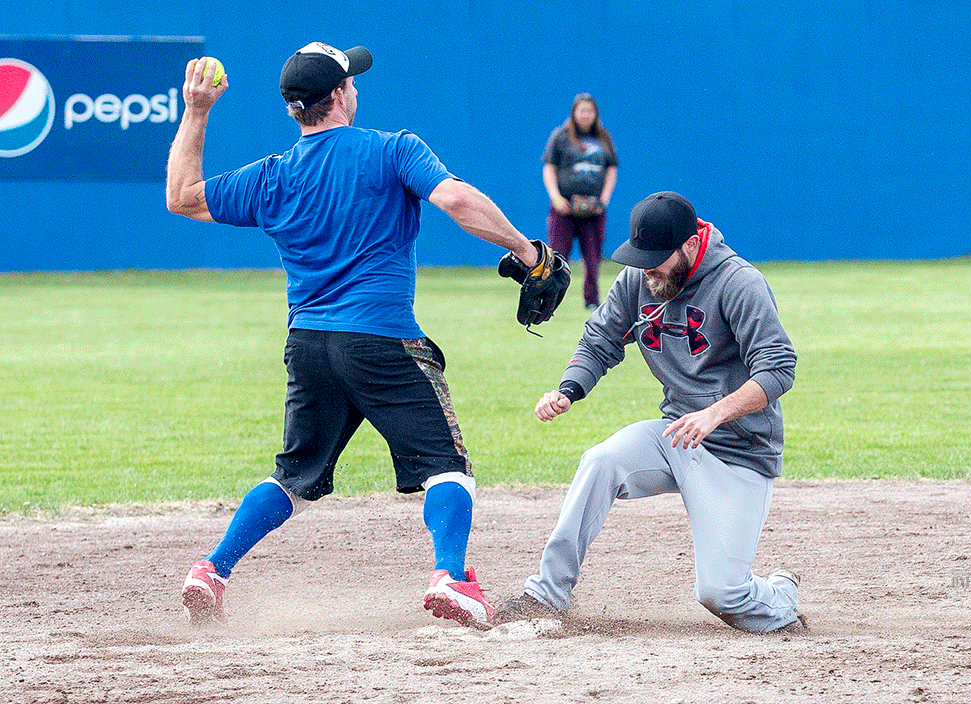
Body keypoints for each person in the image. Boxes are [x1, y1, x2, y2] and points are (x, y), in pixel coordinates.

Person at [165, 43, 548, 630]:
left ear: (296, 110)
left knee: (293, 476)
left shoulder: (272, 175)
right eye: (353, 81)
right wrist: (526, 251)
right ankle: (451, 576)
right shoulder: (393, 150)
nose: (358, 88)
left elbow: (181, 198)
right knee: (446, 466)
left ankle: (212, 570)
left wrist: (196, 111)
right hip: (381, 340)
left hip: (309, 346)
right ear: (340, 95)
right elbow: (456, 199)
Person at [492, 192, 806, 633]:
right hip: (675, 433)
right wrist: (568, 390)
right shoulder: (640, 280)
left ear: (691, 246)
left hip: (740, 451)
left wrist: (715, 414)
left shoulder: (738, 283)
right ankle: (545, 594)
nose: (646, 269)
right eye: (641, 258)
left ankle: (782, 592)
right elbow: (600, 338)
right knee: (600, 461)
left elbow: (779, 367)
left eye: (656, 258)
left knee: (723, 594)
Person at [542, 93, 618, 311]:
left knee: (593, 259)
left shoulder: (603, 138)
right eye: (581, 111)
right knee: (556, 257)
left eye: (590, 111)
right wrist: (556, 198)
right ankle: (550, 301)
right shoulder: (560, 136)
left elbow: (611, 170)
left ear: (596, 114)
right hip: (565, 208)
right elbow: (549, 168)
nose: (585, 115)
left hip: (593, 209)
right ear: (574, 113)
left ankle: (592, 301)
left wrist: (604, 200)